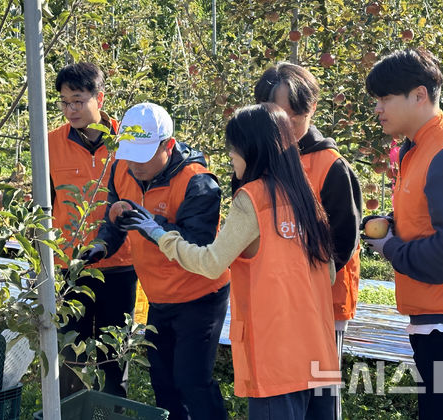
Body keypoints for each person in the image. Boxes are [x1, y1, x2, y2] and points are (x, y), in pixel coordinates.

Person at [119, 103, 340, 420]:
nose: (230, 158)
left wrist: (158, 233)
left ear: (251, 151)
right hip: (317, 349)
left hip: (274, 352)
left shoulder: (252, 198)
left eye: (233, 150)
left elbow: (211, 263)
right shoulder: (305, 196)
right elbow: (328, 273)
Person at [89, 102, 229, 420]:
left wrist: (152, 224)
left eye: (143, 156)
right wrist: (101, 246)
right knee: (163, 382)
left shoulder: (198, 183)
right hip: (158, 295)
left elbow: (197, 245)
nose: (135, 166)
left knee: (192, 381)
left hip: (200, 296)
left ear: (167, 145)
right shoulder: (121, 168)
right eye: (130, 154)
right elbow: (116, 220)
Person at [363, 48, 443, 420]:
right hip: (442, 324)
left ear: (419, 95)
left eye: (384, 98)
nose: (378, 109)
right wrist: (396, 226)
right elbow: (432, 222)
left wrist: (392, 248)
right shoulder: (420, 150)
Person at [253, 63, 362, 420]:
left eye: (295, 115)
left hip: (322, 304)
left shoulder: (329, 165)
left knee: (320, 396)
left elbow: (343, 241)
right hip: (278, 305)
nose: (287, 124)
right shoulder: (261, 161)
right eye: (278, 115)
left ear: (311, 109)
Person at [48, 62, 136, 398]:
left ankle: (114, 411)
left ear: (99, 97)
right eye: (64, 102)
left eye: (78, 101)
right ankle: (70, 410)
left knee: (114, 354)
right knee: (70, 355)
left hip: (119, 265)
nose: (70, 110)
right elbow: (45, 203)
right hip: (69, 267)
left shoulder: (126, 144)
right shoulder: (50, 143)